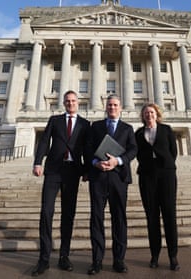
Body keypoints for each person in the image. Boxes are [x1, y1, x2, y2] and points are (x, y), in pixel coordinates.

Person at [31, 90, 90, 276]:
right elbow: (44, 142)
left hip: (73, 172)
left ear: (78, 103)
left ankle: (64, 256)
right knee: (46, 212)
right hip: (53, 170)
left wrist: (88, 170)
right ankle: (44, 259)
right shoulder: (54, 120)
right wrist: (38, 162)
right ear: (63, 103)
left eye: (73, 101)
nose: (70, 103)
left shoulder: (84, 124)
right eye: (67, 101)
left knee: (68, 215)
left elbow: (87, 149)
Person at [86, 94, 137, 275]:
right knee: (96, 219)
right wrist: (94, 163)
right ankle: (97, 260)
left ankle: (119, 260)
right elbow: (88, 148)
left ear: (120, 107)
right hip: (98, 177)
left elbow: (133, 150)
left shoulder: (128, 128)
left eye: (115, 105)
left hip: (118, 178)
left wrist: (119, 161)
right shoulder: (96, 126)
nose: (112, 108)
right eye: (109, 105)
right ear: (105, 107)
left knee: (119, 219)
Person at [134, 103, 180, 271]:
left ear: (157, 114)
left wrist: (164, 164)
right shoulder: (138, 133)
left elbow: (173, 151)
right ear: (143, 116)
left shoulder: (166, 129)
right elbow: (137, 153)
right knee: (151, 217)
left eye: (151, 112)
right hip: (147, 175)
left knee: (169, 215)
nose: (149, 115)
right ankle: (154, 255)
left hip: (166, 174)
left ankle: (173, 256)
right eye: (146, 113)